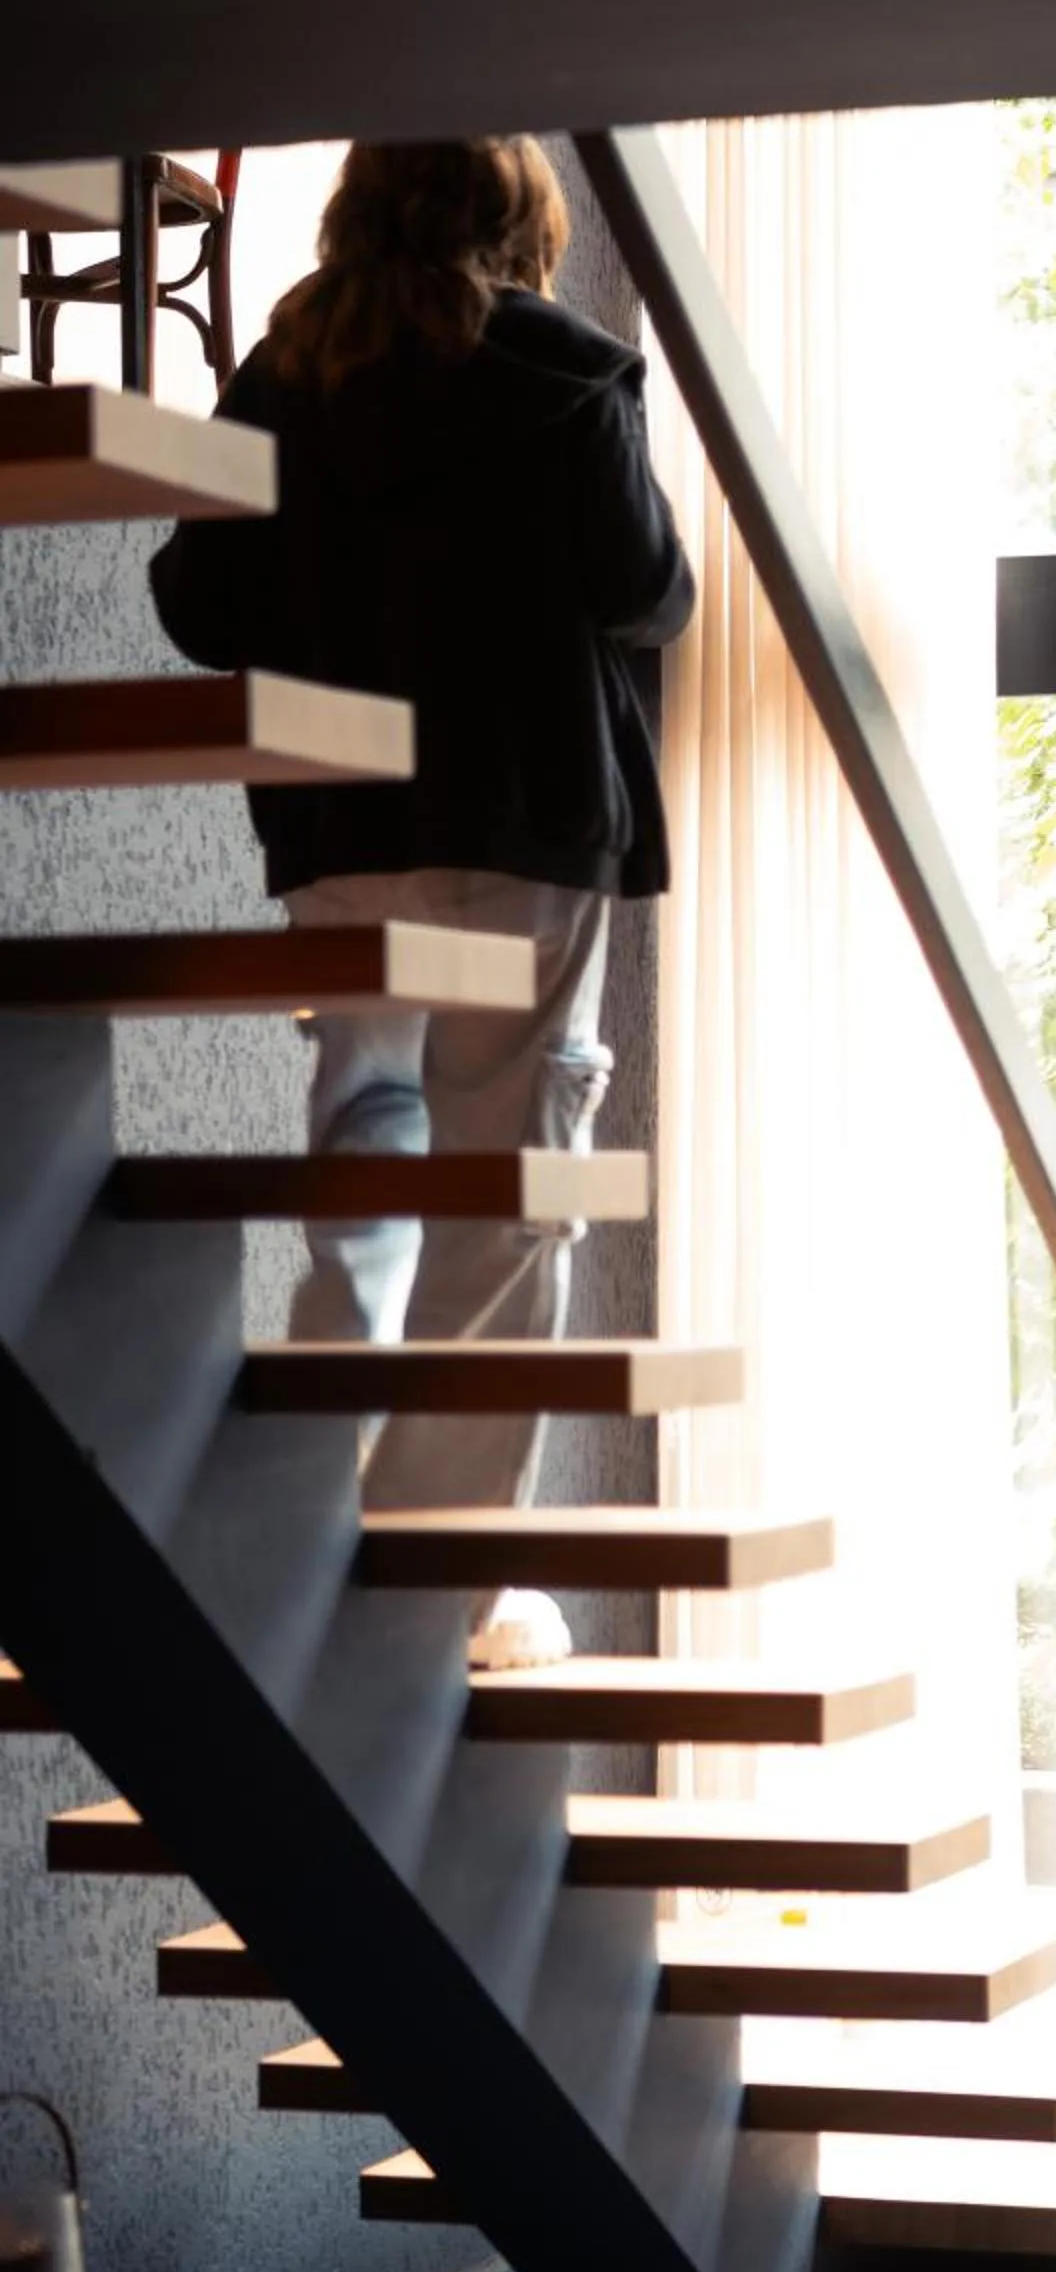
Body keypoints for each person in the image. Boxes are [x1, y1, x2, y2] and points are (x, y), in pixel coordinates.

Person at [150, 137, 693, 1668]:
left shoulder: (287, 371)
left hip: (343, 825)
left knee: (367, 1153)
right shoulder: (565, 374)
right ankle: (446, 1585)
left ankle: (321, 1538)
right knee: (509, 1189)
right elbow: (644, 583)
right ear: (519, 225)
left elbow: (196, 601)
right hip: (526, 823)